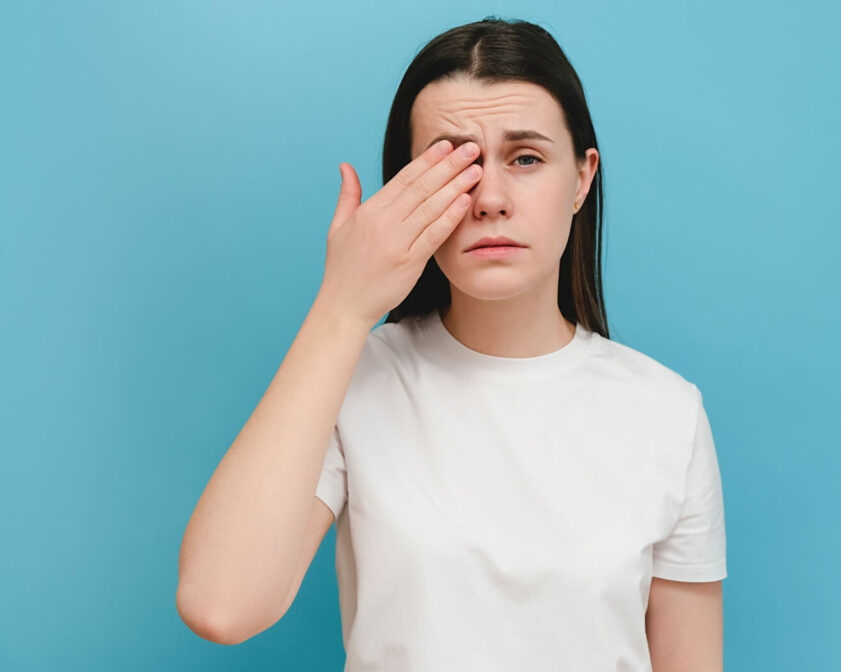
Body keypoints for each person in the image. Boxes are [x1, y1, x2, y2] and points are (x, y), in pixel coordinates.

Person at [177, 16, 727, 671]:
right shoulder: (354, 379)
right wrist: (342, 305)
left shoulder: (667, 414)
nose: (490, 198)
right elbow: (221, 605)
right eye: (455, 163)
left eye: (525, 158)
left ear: (582, 178)